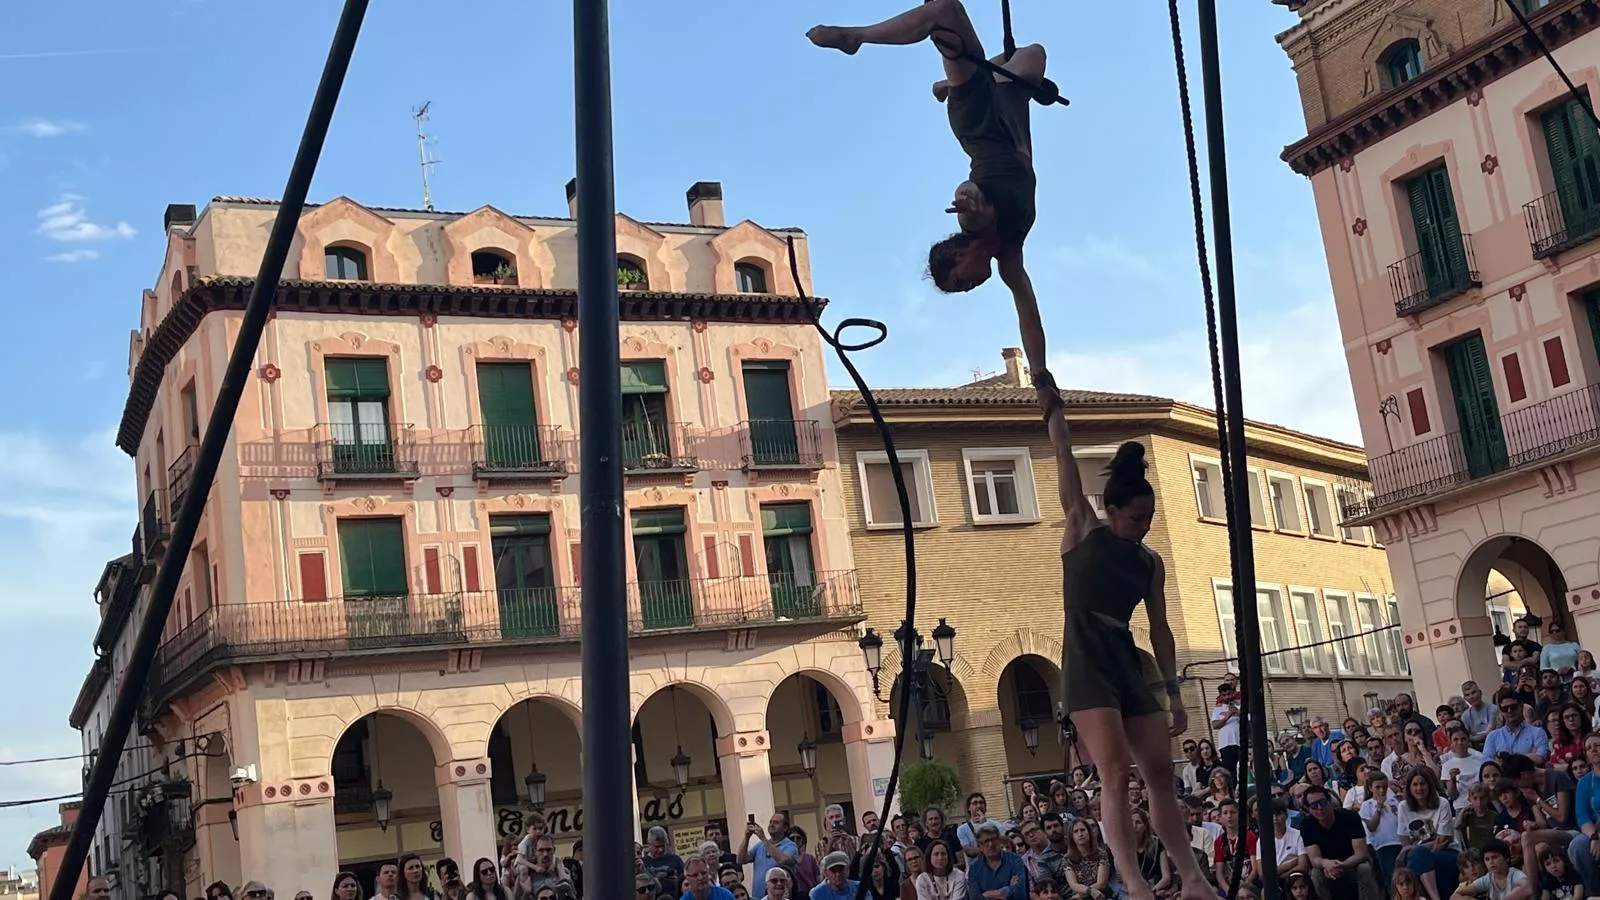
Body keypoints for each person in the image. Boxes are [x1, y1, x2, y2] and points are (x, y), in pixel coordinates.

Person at [804, 0, 1053, 381]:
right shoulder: (1009, 254)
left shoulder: (974, 221)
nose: (968, 287)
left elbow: (968, 193)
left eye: (959, 281)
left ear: (958, 254)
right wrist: (1040, 375)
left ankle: (857, 37)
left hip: (979, 122)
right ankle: (951, 83)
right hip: (1011, 115)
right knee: (1032, 57)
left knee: (945, 12)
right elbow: (1028, 313)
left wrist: (967, 197)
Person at [1037, 390, 1215, 900]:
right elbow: (1063, 451)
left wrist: (1174, 693)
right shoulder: (1082, 526)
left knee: (1159, 770)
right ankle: (1134, 883)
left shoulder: (1150, 562)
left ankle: (1193, 877)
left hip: (1125, 658)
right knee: (1113, 771)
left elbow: (1160, 629)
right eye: (1136, 518)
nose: (1144, 527)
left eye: (1149, 519)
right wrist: (1048, 394)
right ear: (1111, 510)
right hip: (1086, 659)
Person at [1300, 784, 1374, 900]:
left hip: (1352, 865)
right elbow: (1315, 859)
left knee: (1364, 868)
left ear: (1329, 802)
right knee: (1315, 874)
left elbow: (1361, 854)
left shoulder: (1350, 817)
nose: (1319, 808)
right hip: (1327, 869)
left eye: (1323, 802)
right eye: (1314, 805)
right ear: (1308, 809)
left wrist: (1340, 865)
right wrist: (1326, 864)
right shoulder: (1307, 825)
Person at [1450, 839, 1532, 900]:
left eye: (1494, 857)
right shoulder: (1488, 878)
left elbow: (1528, 889)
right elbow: (1454, 896)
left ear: (1506, 858)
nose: (1491, 862)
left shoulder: (1515, 874)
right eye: (1487, 859)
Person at [967, 823, 1028, 898]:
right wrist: (1008, 890)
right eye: (986, 841)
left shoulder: (1015, 860)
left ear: (999, 841)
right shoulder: (974, 868)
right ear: (980, 846)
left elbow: (1019, 891)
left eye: (993, 839)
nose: (991, 844)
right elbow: (975, 897)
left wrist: (986, 895)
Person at [740, 813, 798, 889]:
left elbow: (782, 860)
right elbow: (740, 860)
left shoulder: (791, 846)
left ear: (785, 828)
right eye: (770, 822)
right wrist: (746, 837)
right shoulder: (760, 845)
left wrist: (763, 838)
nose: (772, 825)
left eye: (776, 823)